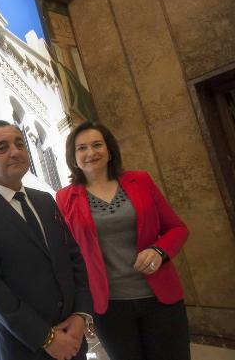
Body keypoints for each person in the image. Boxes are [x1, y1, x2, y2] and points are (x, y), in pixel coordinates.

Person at [0, 120, 93, 360]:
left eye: (19, 144)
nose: (15, 151)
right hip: (23, 347)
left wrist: (80, 315)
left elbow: (73, 257)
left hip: (72, 337)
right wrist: (46, 338)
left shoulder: (44, 200)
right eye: (2, 147)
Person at [55, 121, 190, 360]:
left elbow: (178, 229)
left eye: (97, 145)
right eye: (82, 148)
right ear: (73, 158)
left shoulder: (141, 181)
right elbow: (67, 256)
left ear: (109, 151)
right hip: (109, 307)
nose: (91, 153)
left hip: (160, 298)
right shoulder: (65, 197)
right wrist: (79, 309)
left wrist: (158, 251)